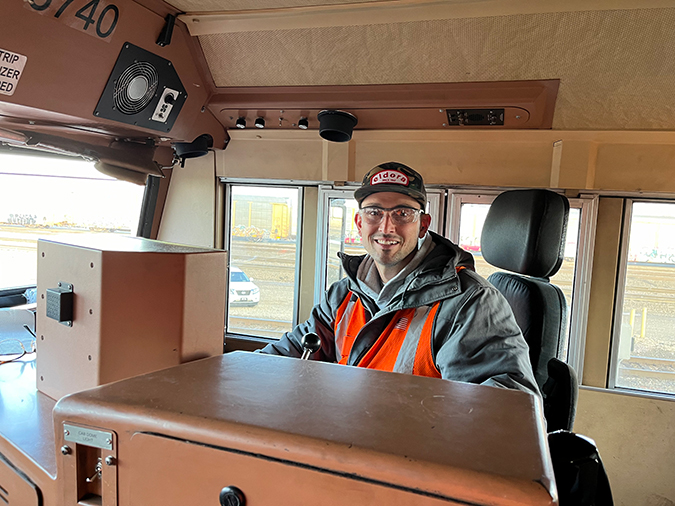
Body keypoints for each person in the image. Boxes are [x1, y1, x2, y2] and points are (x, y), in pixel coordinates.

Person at [261, 162, 539, 395]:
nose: (386, 226)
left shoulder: (470, 303)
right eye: (374, 213)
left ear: (423, 226)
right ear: (360, 224)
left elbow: (501, 409)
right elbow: (293, 352)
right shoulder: (342, 295)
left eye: (403, 213)